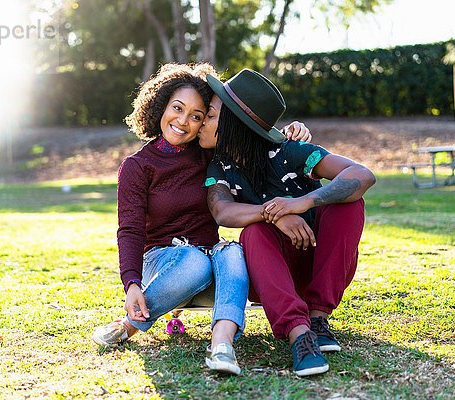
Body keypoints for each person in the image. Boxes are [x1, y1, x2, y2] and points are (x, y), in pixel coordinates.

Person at [91, 63, 311, 375]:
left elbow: (251, 142)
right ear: (160, 107)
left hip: (211, 257)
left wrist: (291, 134)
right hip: (165, 262)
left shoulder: (210, 155)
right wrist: (132, 283)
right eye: (177, 109)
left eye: (197, 116)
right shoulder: (137, 167)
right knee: (196, 261)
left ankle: (222, 346)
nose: (183, 121)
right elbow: (129, 230)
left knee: (232, 250)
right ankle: (131, 323)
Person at [197, 69, 376, 377]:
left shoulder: (290, 151)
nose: (202, 122)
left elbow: (362, 175)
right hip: (271, 277)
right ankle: (299, 335)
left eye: (210, 116)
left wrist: (302, 202)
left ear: (234, 124)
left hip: (319, 266)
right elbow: (223, 211)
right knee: (253, 233)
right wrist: (275, 212)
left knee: (348, 205)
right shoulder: (220, 166)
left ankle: (318, 319)